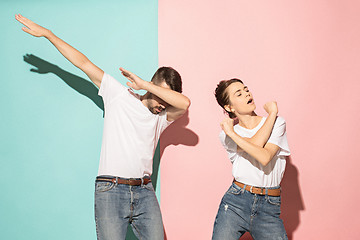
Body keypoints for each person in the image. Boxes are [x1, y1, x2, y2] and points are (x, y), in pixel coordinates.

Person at [15, 14, 190, 240]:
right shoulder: (119, 95)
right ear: (153, 87)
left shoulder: (161, 118)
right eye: (160, 97)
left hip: (145, 192)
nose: (162, 105)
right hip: (111, 189)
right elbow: (84, 63)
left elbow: (185, 103)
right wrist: (49, 35)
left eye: (167, 100)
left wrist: (146, 85)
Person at [212, 78, 290, 239]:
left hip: (269, 206)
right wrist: (273, 112)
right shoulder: (226, 135)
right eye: (239, 93)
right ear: (229, 107)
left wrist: (273, 115)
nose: (247, 93)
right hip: (235, 202)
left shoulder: (278, 123)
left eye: (246, 89)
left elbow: (264, 156)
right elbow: (257, 147)